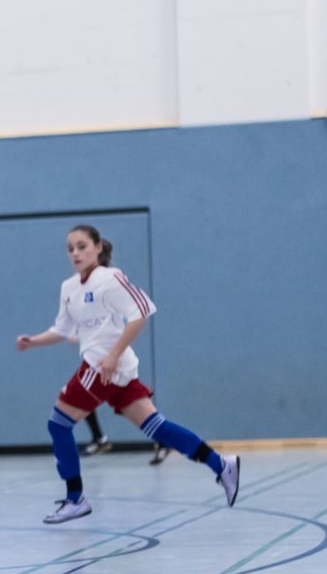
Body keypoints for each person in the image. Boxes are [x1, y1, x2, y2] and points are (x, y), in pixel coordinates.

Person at [15, 224, 239, 523]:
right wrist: (33, 341)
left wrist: (113, 355)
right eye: (70, 248)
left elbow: (141, 312)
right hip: (110, 370)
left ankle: (75, 497)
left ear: (97, 247)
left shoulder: (110, 279)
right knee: (156, 427)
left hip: (102, 366)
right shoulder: (68, 288)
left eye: (82, 246)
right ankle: (221, 465)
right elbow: (62, 330)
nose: (75, 253)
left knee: (59, 424)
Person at [82, 410, 169, 463]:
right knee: (81, 397)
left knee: (132, 408)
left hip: (116, 381)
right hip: (102, 381)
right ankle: (98, 438)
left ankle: (163, 441)